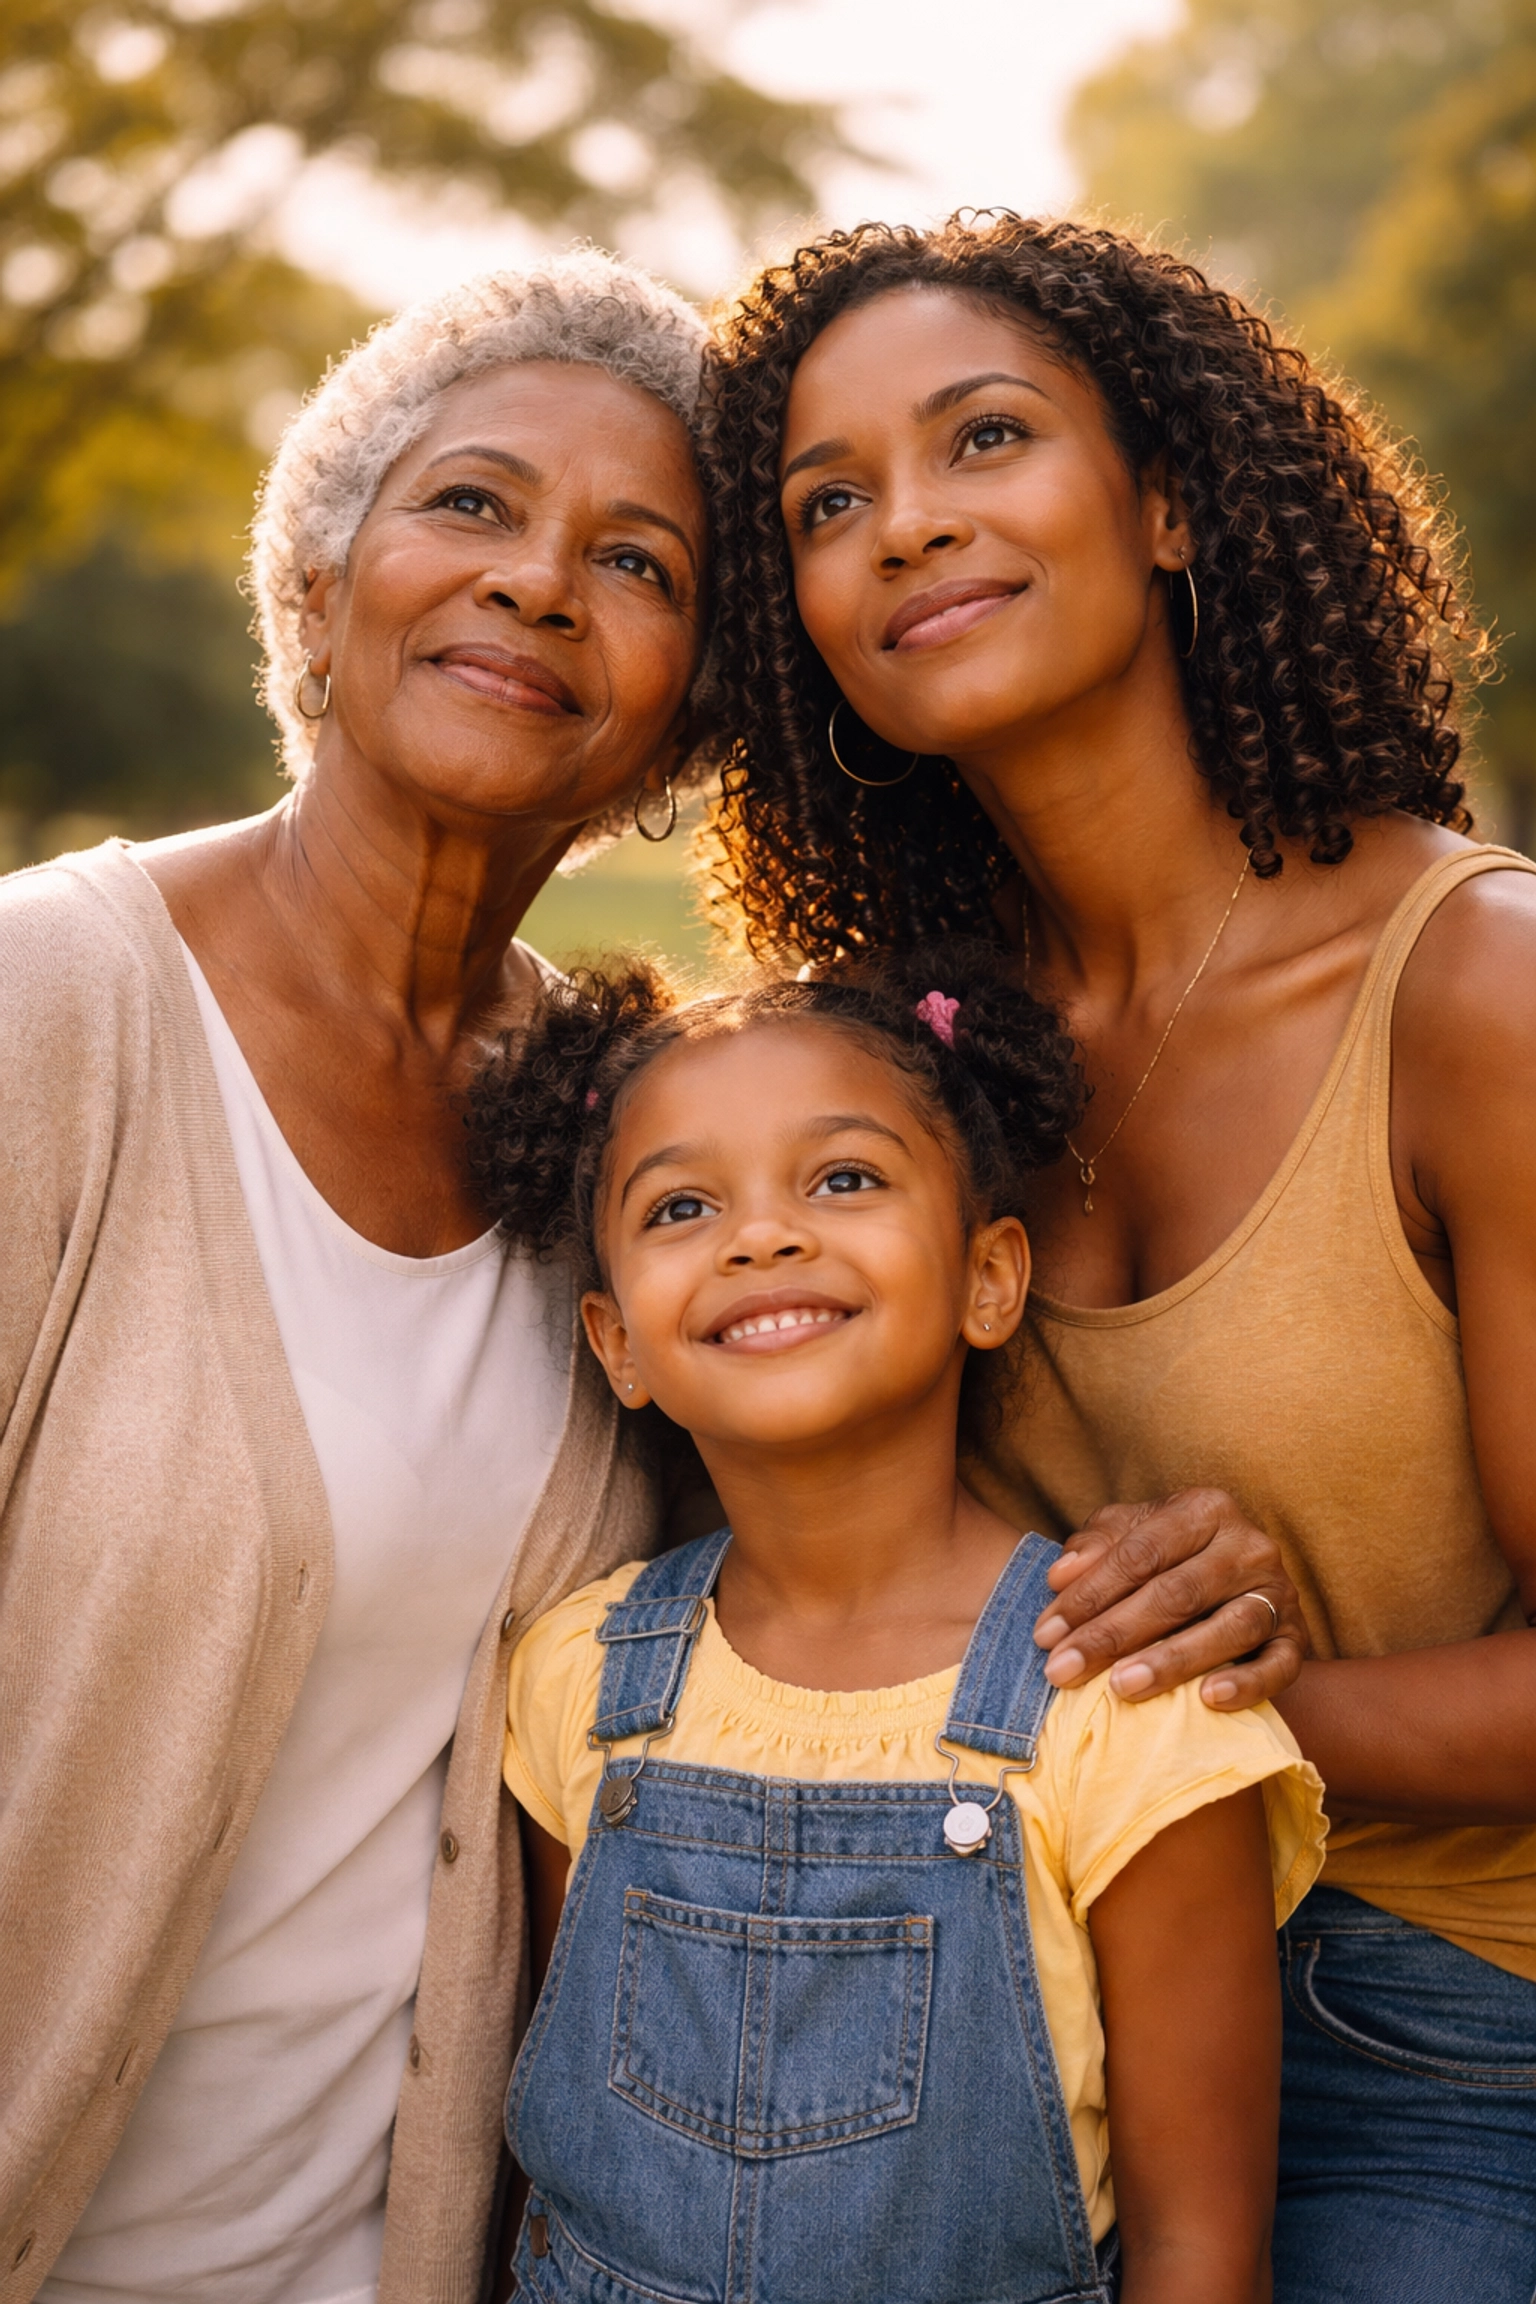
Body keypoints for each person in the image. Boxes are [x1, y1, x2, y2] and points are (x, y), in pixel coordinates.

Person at [698, 210, 1536, 2299]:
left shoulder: (1477, 996)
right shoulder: (900, 1056)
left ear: (1168, 502)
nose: (906, 524)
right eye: (827, 504)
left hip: (1427, 2028)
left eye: (984, 438)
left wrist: (1213, 1709)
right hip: (992, 1973)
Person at [0, 253, 713, 2304]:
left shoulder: (634, 1139)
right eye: (472, 504)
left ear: (689, 718)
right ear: (317, 588)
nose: (540, 583)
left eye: (636, 562)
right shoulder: (50, 1010)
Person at [469, 942, 1324, 2304]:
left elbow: (1201, 2252)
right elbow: (554, 2161)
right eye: (682, 1206)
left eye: (844, 1180)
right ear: (615, 1342)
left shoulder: (1127, 1710)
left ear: (991, 1278)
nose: (762, 1237)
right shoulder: (578, 1673)